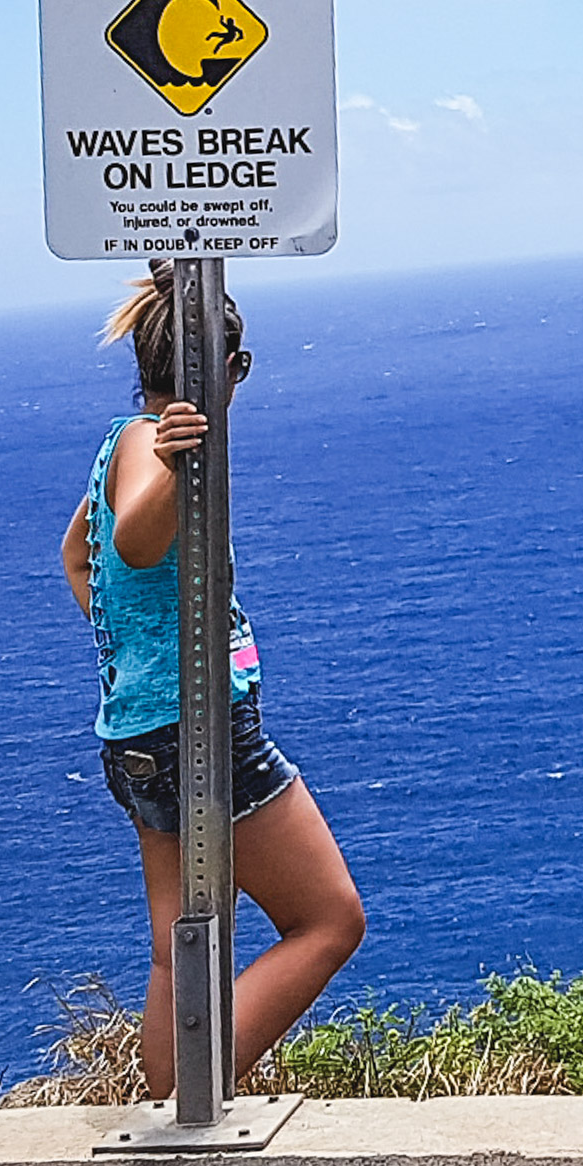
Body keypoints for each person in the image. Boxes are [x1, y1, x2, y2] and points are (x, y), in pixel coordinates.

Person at [61, 258, 365, 1098]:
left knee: (179, 940)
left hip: (135, 730)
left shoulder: (118, 442)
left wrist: (134, 650)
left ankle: (173, 1106)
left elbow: (76, 557)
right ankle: (206, 1081)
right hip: (203, 728)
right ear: (229, 369)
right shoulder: (166, 452)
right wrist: (178, 459)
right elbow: (131, 545)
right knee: (329, 919)